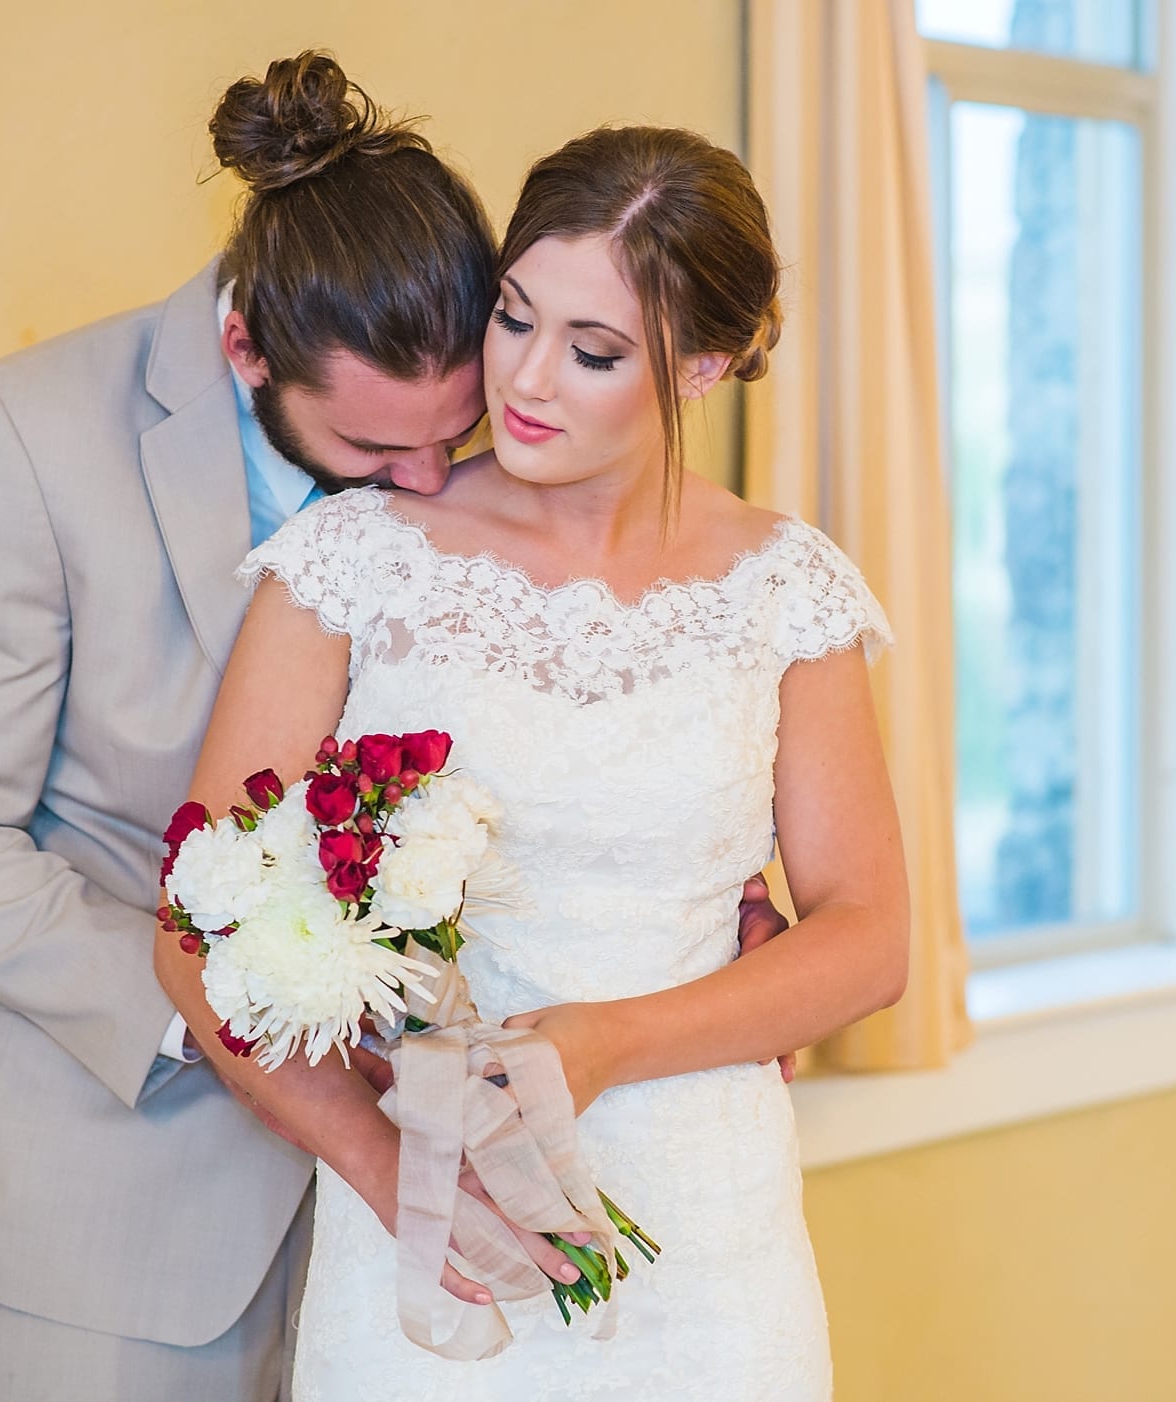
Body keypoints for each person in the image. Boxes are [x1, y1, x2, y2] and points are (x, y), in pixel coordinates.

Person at [0, 52, 787, 1399]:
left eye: (445, 439)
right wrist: (245, 998)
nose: (425, 481)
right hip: (129, 1224)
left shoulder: (482, 399)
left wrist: (699, 885)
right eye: (374, 455)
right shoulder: (24, 438)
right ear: (247, 347)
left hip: (448, 1225)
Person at [157, 123, 909, 1399]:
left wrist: (605, 1042)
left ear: (707, 365)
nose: (527, 381)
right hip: (434, 1234)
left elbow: (871, 937)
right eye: (513, 317)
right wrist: (403, 1178)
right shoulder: (359, 558)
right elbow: (196, 928)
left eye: (595, 350)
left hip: (708, 1241)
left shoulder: (786, 588)